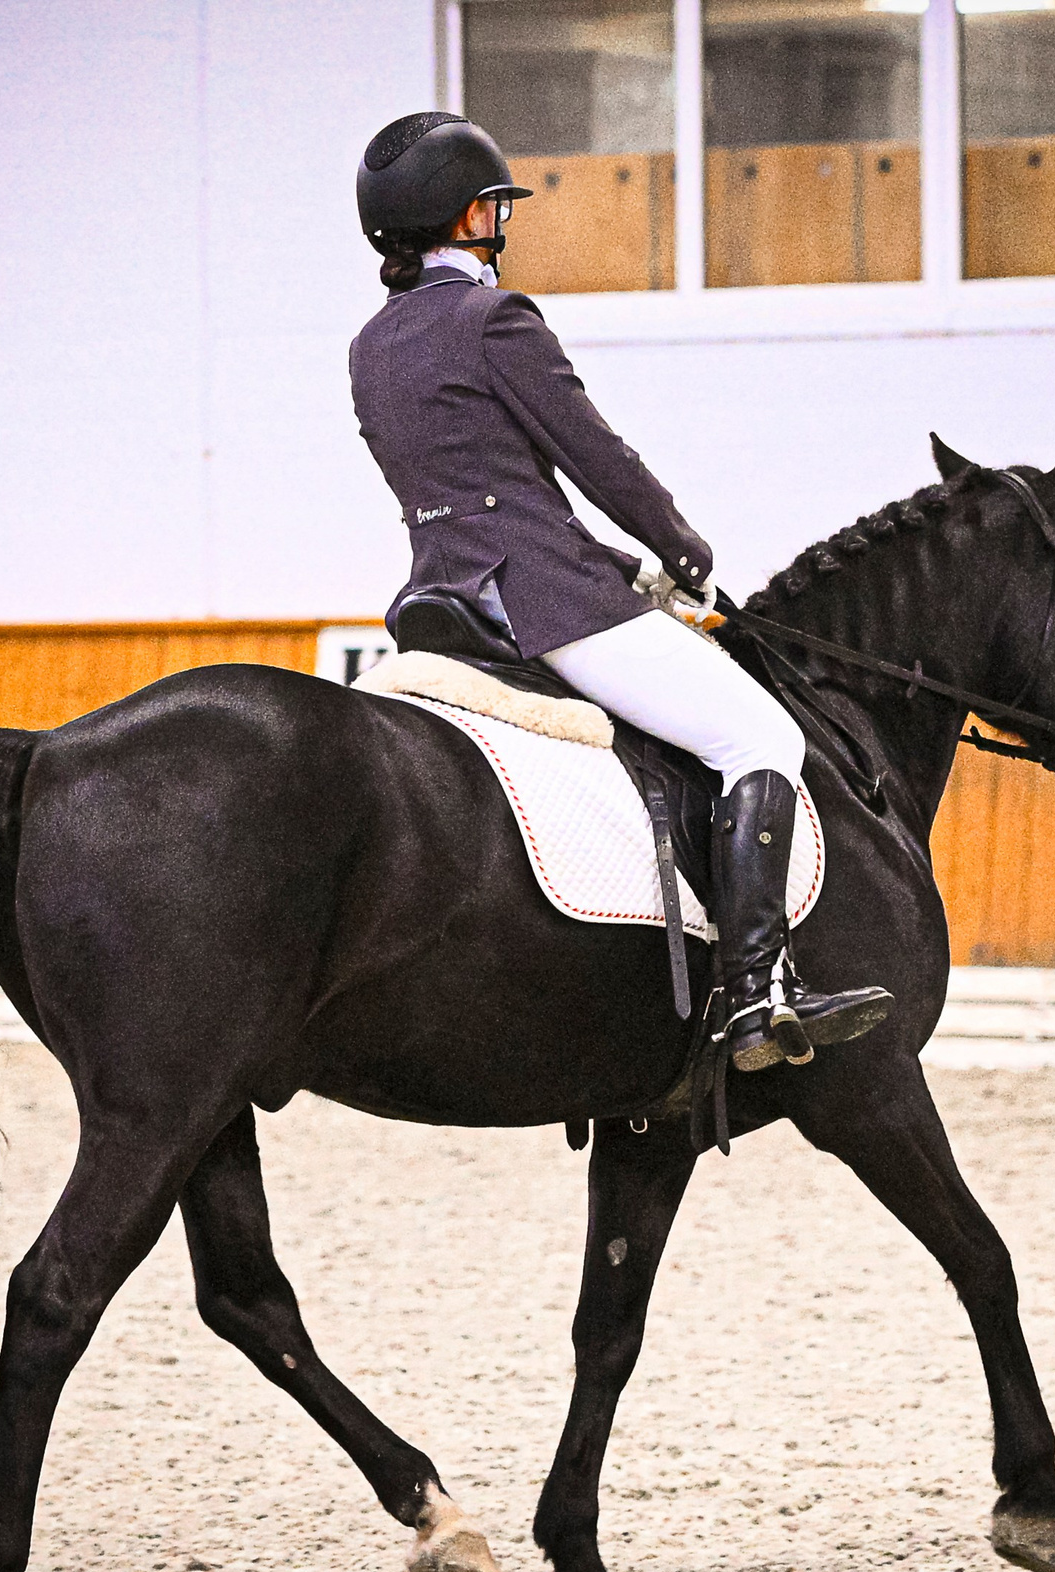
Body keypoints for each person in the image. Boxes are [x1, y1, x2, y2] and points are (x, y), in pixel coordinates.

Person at [348, 112, 890, 1074]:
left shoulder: (371, 346)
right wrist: (680, 549)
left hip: (440, 601)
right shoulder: (495, 320)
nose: (499, 220)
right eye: (490, 205)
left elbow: (484, 491)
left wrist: (616, 561)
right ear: (464, 217)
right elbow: (596, 457)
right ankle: (756, 993)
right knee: (762, 738)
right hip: (543, 599)